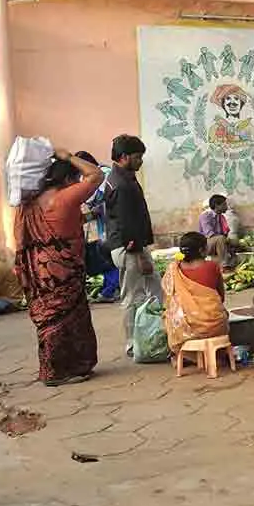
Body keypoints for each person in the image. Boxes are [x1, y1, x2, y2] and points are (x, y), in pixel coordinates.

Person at [16, 149, 103, 385]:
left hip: (37, 269)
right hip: (63, 268)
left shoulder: (28, 204)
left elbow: (21, 239)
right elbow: (96, 175)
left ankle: (54, 369)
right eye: (75, 180)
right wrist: (67, 156)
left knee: (49, 318)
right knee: (69, 318)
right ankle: (64, 370)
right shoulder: (65, 197)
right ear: (67, 179)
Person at [105, 134, 160, 356]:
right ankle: (132, 343)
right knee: (132, 296)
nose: (141, 161)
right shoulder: (121, 185)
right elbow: (127, 224)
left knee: (154, 288)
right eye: (137, 157)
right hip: (128, 248)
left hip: (134, 246)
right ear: (124, 157)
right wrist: (139, 256)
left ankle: (154, 332)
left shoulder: (125, 178)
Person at [162, 231, 228, 354]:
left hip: (184, 330)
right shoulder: (212, 266)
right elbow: (221, 297)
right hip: (215, 327)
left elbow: (168, 301)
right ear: (202, 250)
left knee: (167, 316)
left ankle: (183, 356)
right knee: (223, 314)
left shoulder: (174, 269)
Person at [74, 150, 119, 303]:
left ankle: (110, 290)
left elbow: (101, 198)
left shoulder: (104, 173)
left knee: (108, 256)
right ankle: (109, 288)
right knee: (104, 256)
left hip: (109, 220)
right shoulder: (85, 176)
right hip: (98, 223)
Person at [198, 194, 235, 266]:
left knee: (233, 242)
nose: (226, 207)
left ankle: (230, 261)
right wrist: (224, 238)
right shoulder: (205, 216)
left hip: (216, 242)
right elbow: (209, 234)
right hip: (205, 244)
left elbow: (224, 233)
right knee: (220, 238)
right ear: (217, 205)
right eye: (224, 205)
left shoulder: (221, 217)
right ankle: (224, 264)